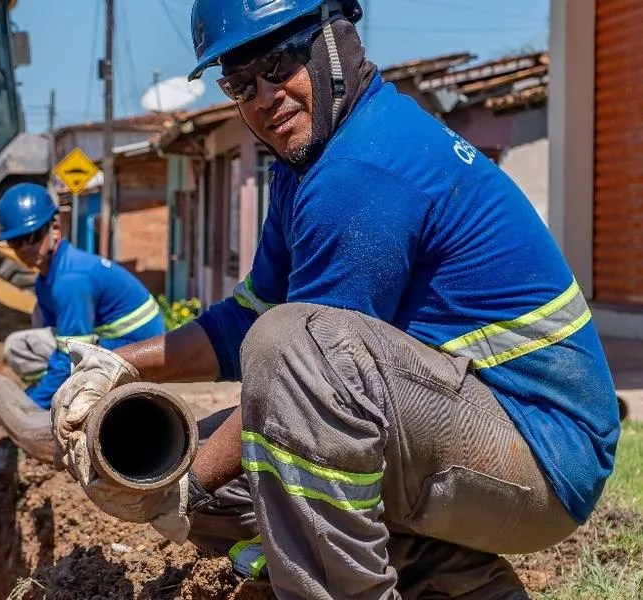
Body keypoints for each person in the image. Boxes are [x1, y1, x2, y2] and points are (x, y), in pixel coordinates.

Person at [49, 1, 619, 598]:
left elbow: (303, 367)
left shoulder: (363, 167)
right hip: (474, 435)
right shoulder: (305, 166)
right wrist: (115, 364)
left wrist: (179, 485)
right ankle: (460, 586)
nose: (264, 96)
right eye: (240, 84)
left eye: (278, 63)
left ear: (337, 38)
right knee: (247, 447)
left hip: (542, 455)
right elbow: (245, 321)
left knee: (281, 375)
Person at [0, 182, 165, 463]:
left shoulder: (70, 280)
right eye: (17, 241)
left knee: (23, 346)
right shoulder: (49, 277)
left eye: (33, 235)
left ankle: (83, 403)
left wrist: (31, 406)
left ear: (55, 227)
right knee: (21, 344)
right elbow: (61, 345)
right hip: (115, 342)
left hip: (138, 354)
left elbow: (69, 353)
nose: (26, 247)